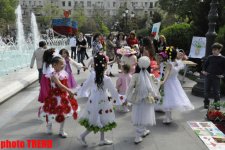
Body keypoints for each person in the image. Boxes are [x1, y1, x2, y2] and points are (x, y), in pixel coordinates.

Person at [77, 53, 121, 147]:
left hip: (93, 99)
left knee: (99, 119)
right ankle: (82, 136)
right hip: (103, 100)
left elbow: (85, 86)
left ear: (94, 64)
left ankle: (102, 139)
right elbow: (113, 91)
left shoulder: (92, 75)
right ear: (105, 65)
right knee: (99, 119)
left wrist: (79, 92)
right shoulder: (107, 79)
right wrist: (118, 100)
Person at [39, 56, 79, 138]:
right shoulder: (53, 75)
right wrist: (69, 91)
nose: (63, 65)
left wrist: (68, 93)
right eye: (61, 64)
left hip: (63, 96)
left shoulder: (63, 73)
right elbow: (60, 86)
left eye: (63, 63)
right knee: (50, 112)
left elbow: (65, 84)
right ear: (54, 65)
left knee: (63, 113)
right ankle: (49, 126)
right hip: (54, 97)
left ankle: (61, 130)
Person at [126, 56, 160, 144]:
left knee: (138, 116)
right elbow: (152, 88)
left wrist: (127, 96)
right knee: (145, 115)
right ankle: (138, 136)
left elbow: (130, 87)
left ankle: (142, 131)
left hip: (137, 99)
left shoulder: (135, 76)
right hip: (147, 100)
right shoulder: (150, 75)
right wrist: (155, 95)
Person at [161, 47, 194, 124]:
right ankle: (168, 117)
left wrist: (163, 81)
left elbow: (166, 74)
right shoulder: (177, 62)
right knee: (171, 99)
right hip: (175, 82)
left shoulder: (169, 64)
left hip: (168, 82)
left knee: (167, 99)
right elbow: (181, 63)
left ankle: (168, 117)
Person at [202, 43, 225, 110]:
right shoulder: (210, 57)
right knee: (206, 91)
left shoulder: (223, 58)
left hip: (217, 77)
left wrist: (223, 75)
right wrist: (203, 71)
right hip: (208, 76)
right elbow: (204, 66)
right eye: (213, 50)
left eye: (216, 50)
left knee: (216, 92)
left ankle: (217, 104)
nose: (214, 51)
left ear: (220, 50)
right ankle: (206, 103)